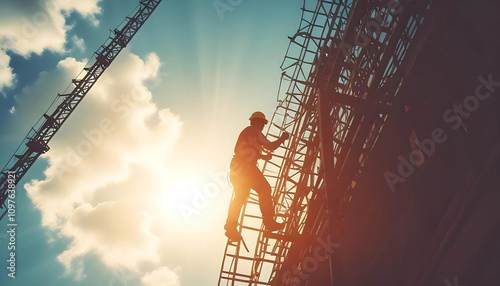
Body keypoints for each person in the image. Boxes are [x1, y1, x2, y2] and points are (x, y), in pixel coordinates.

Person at [224, 111, 290, 241]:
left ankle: (230, 226)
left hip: (237, 169)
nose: (263, 126)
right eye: (262, 123)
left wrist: (262, 156)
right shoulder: (254, 131)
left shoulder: (248, 133)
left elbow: (250, 149)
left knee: (240, 197)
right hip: (246, 169)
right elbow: (270, 146)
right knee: (264, 189)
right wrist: (282, 138)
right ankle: (269, 222)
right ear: (257, 122)